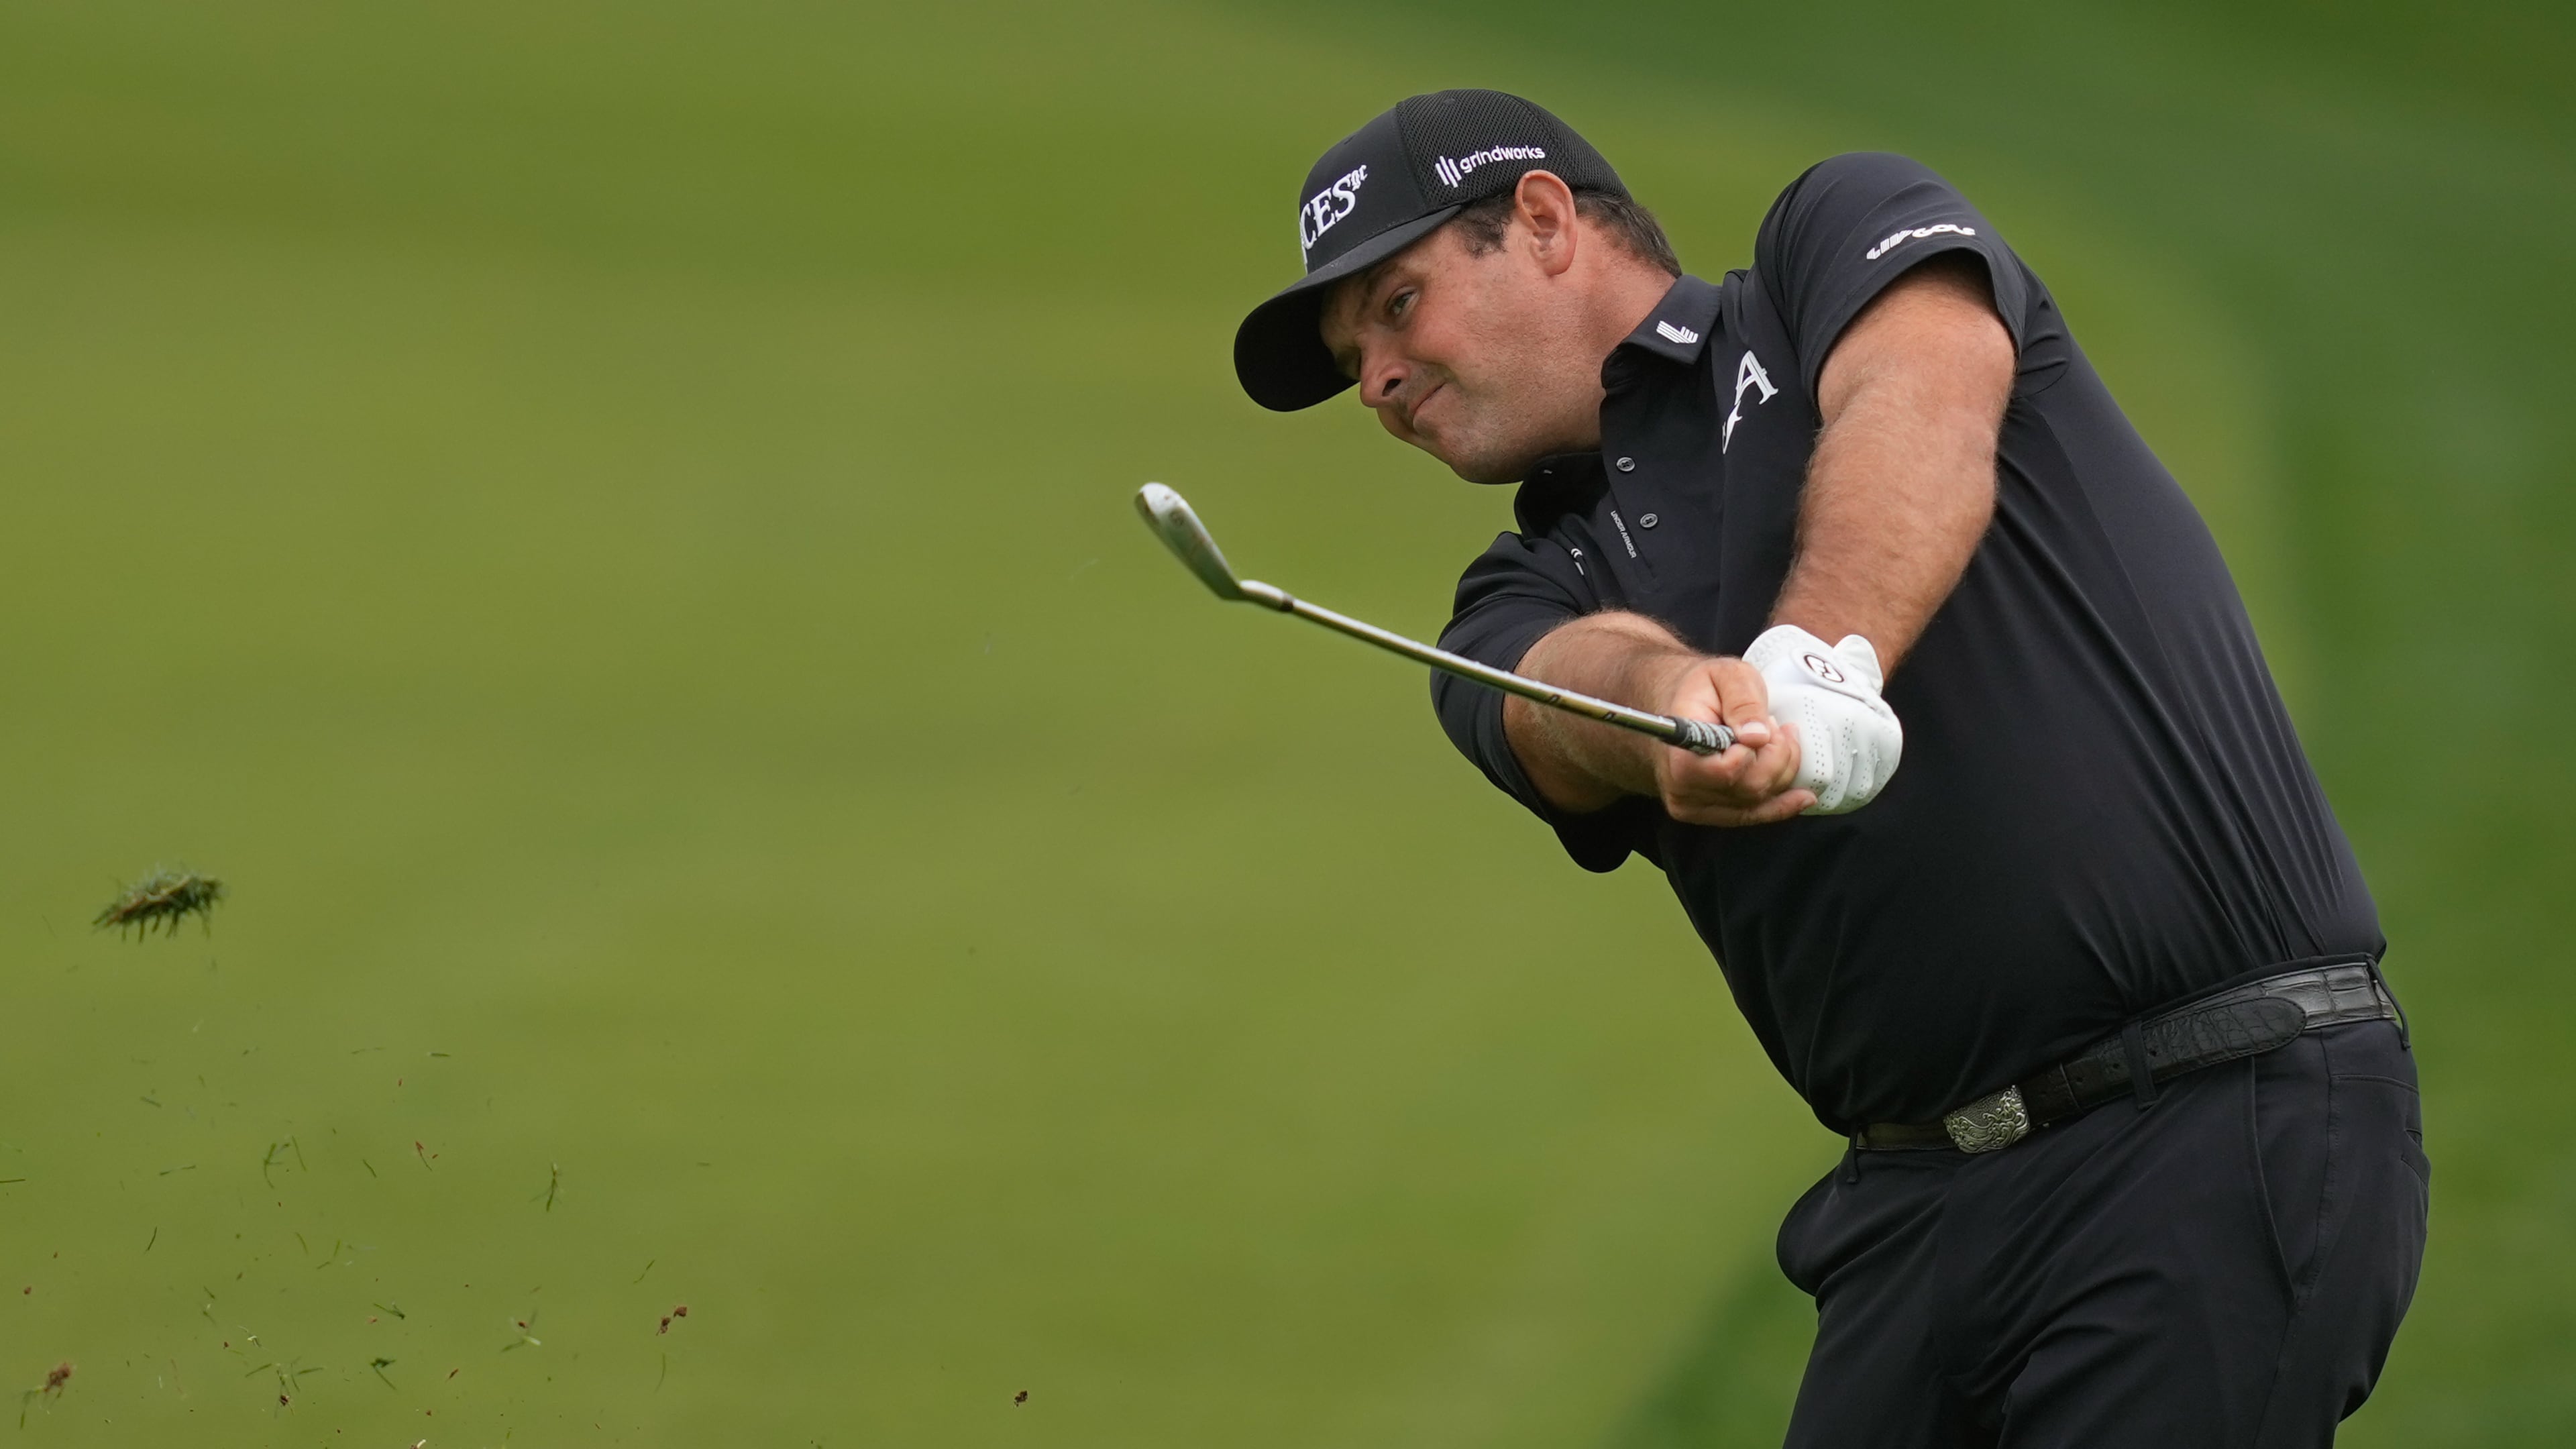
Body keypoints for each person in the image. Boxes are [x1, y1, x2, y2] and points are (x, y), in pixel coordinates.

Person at [1229, 89, 2428, 1446]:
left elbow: (1923, 398)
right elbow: (1562, 698)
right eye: (1351, 357)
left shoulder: (1827, 256)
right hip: (1918, 1211)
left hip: (2214, 1112)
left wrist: (1815, 658)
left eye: (1397, 305)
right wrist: (1671, 699)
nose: (1377, 380)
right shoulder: (1509, 594)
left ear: (1546, 221)